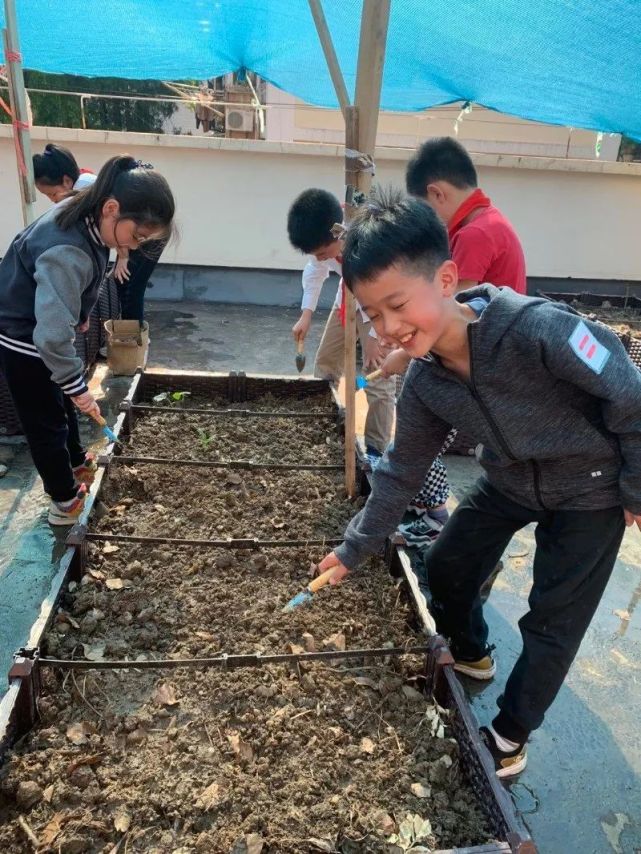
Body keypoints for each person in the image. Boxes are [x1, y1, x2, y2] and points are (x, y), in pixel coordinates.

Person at [317, 190, 641, 779]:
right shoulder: (425, 384)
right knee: (444, 565)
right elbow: (399, 473)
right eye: (374, 315)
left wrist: (636, 485)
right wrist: (352, 548)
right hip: (511, 478)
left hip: (589, 488)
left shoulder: (536, 329)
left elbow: (629, 390)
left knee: (553, 618)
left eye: (397, 305)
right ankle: (470, 652)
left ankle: (512, 734)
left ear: (445, 279)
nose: (388, 328)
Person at [0, 155, 175, 525]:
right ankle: (63, 502)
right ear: (112, 208)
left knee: (64, 402)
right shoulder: (68, 247)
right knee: (46, 421)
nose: (138, 245)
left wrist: (78, 317)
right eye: (138, 235)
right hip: (23, 337)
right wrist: (77, 387)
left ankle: (77, 461)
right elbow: (49, 335)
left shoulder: (90, 217)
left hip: (44, 327)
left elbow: (83, 281)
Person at [384, 138, 529, 532]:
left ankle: (432, 513)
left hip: (481, 365)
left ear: (437, 193)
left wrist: (403, 354)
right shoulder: (490, 222)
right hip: (490, 361)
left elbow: (445, 315)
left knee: (419, 433)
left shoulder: (475, 234)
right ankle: (436, 515)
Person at [288, 188, 395, 461]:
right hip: (348, 298)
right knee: (326, 362)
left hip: (380, 305)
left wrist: (374, 335)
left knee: (379, 377)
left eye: (323, 252)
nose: (321, 258)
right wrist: (306, 313)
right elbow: (315, 271)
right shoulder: (326, 240)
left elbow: (384, 289)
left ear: (339, 233)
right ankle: (324, 422)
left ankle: (375, 449)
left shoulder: (370, 238)